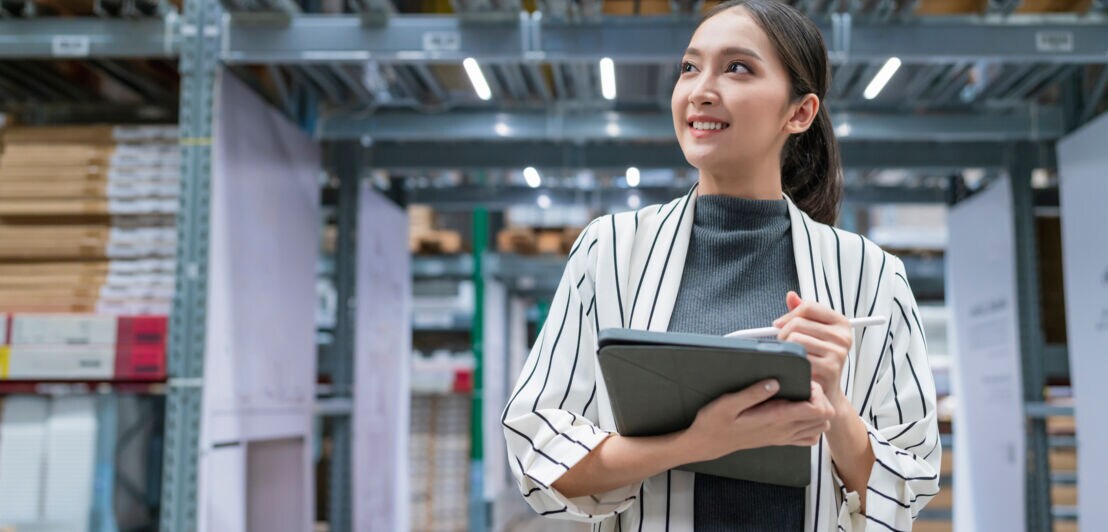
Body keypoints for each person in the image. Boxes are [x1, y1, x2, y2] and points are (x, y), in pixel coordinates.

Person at [500, 0, 941, 530]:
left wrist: (837, 410)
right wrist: (698, 443)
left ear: (799, 112)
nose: (700, 90)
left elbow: (910, 485)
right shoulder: (610, 251)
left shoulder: (872, 278)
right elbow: (539, 450)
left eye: (737, 68)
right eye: (690, 67)